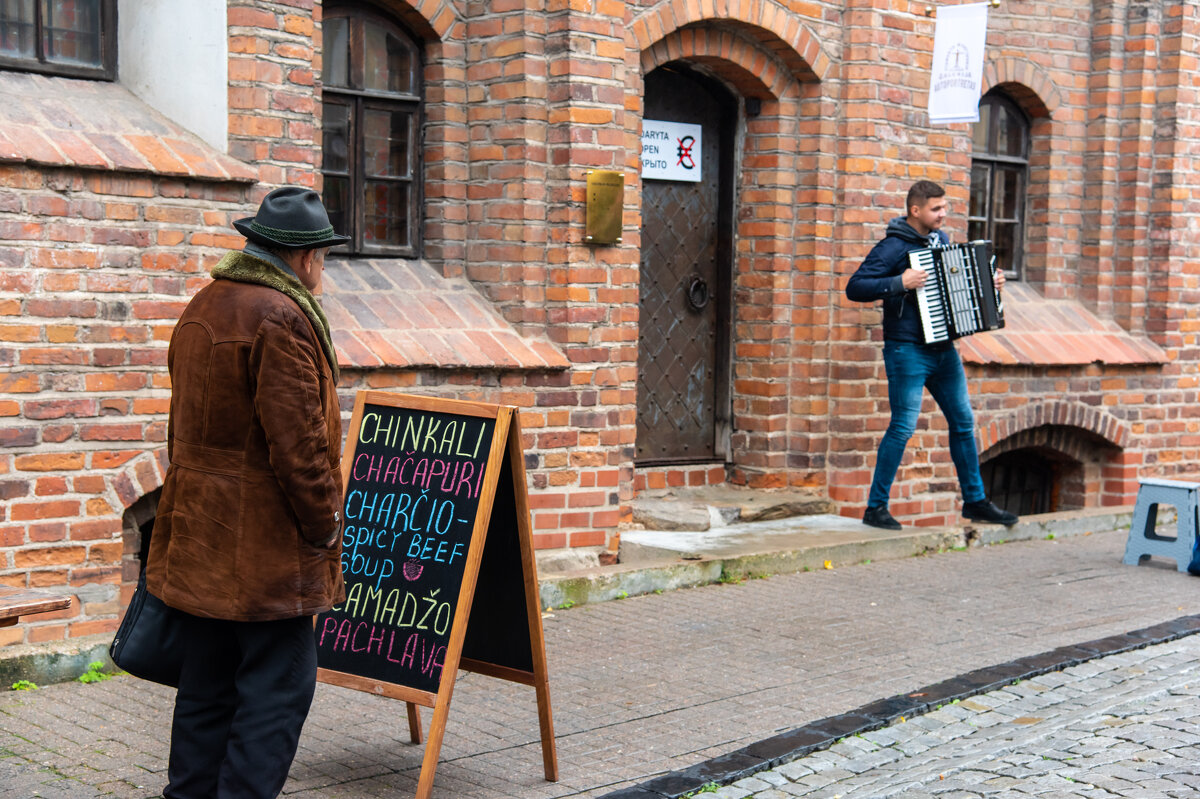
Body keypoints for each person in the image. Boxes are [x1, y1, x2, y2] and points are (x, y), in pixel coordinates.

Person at [145, 186, 348, 798]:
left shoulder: (205, 303)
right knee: (276, 694)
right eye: (323, 257)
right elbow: (301, 448)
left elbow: (184, 427)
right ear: (305, 257)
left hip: (202, 540)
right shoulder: (282, 315)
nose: (323, 270)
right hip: (266, 557)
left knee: (207, 688)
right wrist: (324, 528)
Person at [846, 180, 1018, 531]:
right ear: (916, 210)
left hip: (943, 350)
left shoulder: (939, 242)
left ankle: (975, 502)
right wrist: (899, 283)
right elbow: (855, 286)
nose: (944, 214)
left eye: (944, 207)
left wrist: (990, 280)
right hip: (907, 350)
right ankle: (875, 508)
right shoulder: (893, 247)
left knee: (964, 423)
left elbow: (961, 281)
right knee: (903, 427)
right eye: (937, 209)